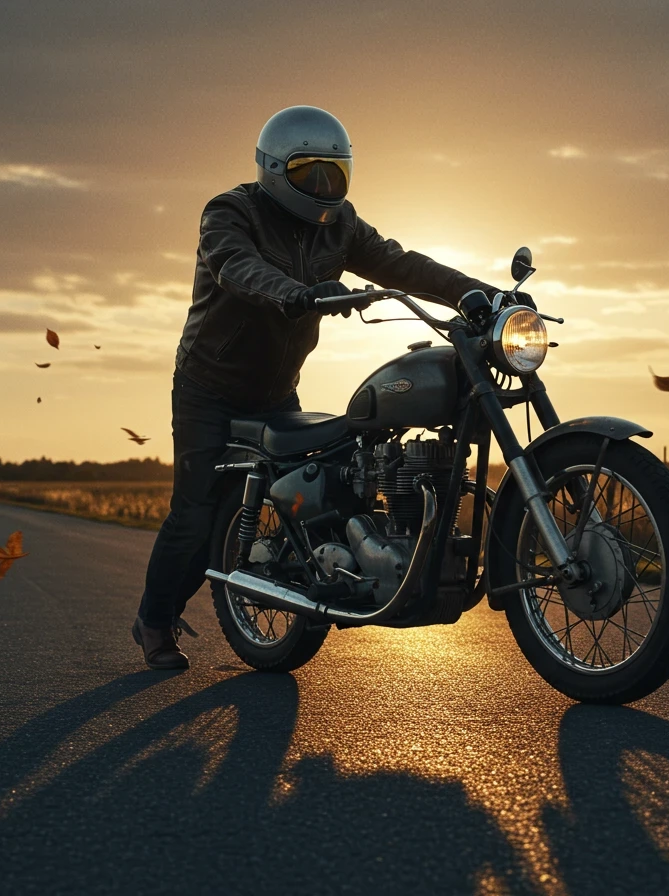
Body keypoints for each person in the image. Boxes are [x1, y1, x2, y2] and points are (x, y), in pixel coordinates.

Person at [132, 105, 508, 670]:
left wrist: (481, 294)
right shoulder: (229, 213)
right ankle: (154, 621)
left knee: (322, 483)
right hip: (209, 387)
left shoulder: (340, 223)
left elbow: (400, 264)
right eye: (312, 174)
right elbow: (237, 268)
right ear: (277, 170)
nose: (326, 187)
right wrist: (298, 293)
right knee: (195, 514)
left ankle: (339, 573)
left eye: (336, 173)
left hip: (277, 388)